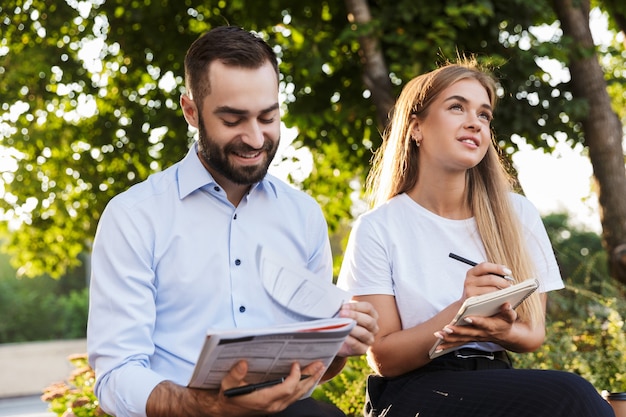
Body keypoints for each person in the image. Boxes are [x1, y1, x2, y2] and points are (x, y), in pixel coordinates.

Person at [87, 25, 378, 417]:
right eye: (233, 120)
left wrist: (338, 342)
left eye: (267, 117)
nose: (256, 138)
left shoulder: (303, 214)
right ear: (191, 111)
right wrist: (206, 407)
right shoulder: (134, 216)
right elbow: (116, 376)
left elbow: (316, 367)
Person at [337, 59, 614, 417]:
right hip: (414, 389)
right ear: (416, 128)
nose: (474, 122)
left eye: (484, 115)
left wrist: (501, 331)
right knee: (570, 395)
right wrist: (460, 314)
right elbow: (383, 358)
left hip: (496, 378)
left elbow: (532, 335)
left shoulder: (517, 215)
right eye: (457, 107)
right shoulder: (378, 227)